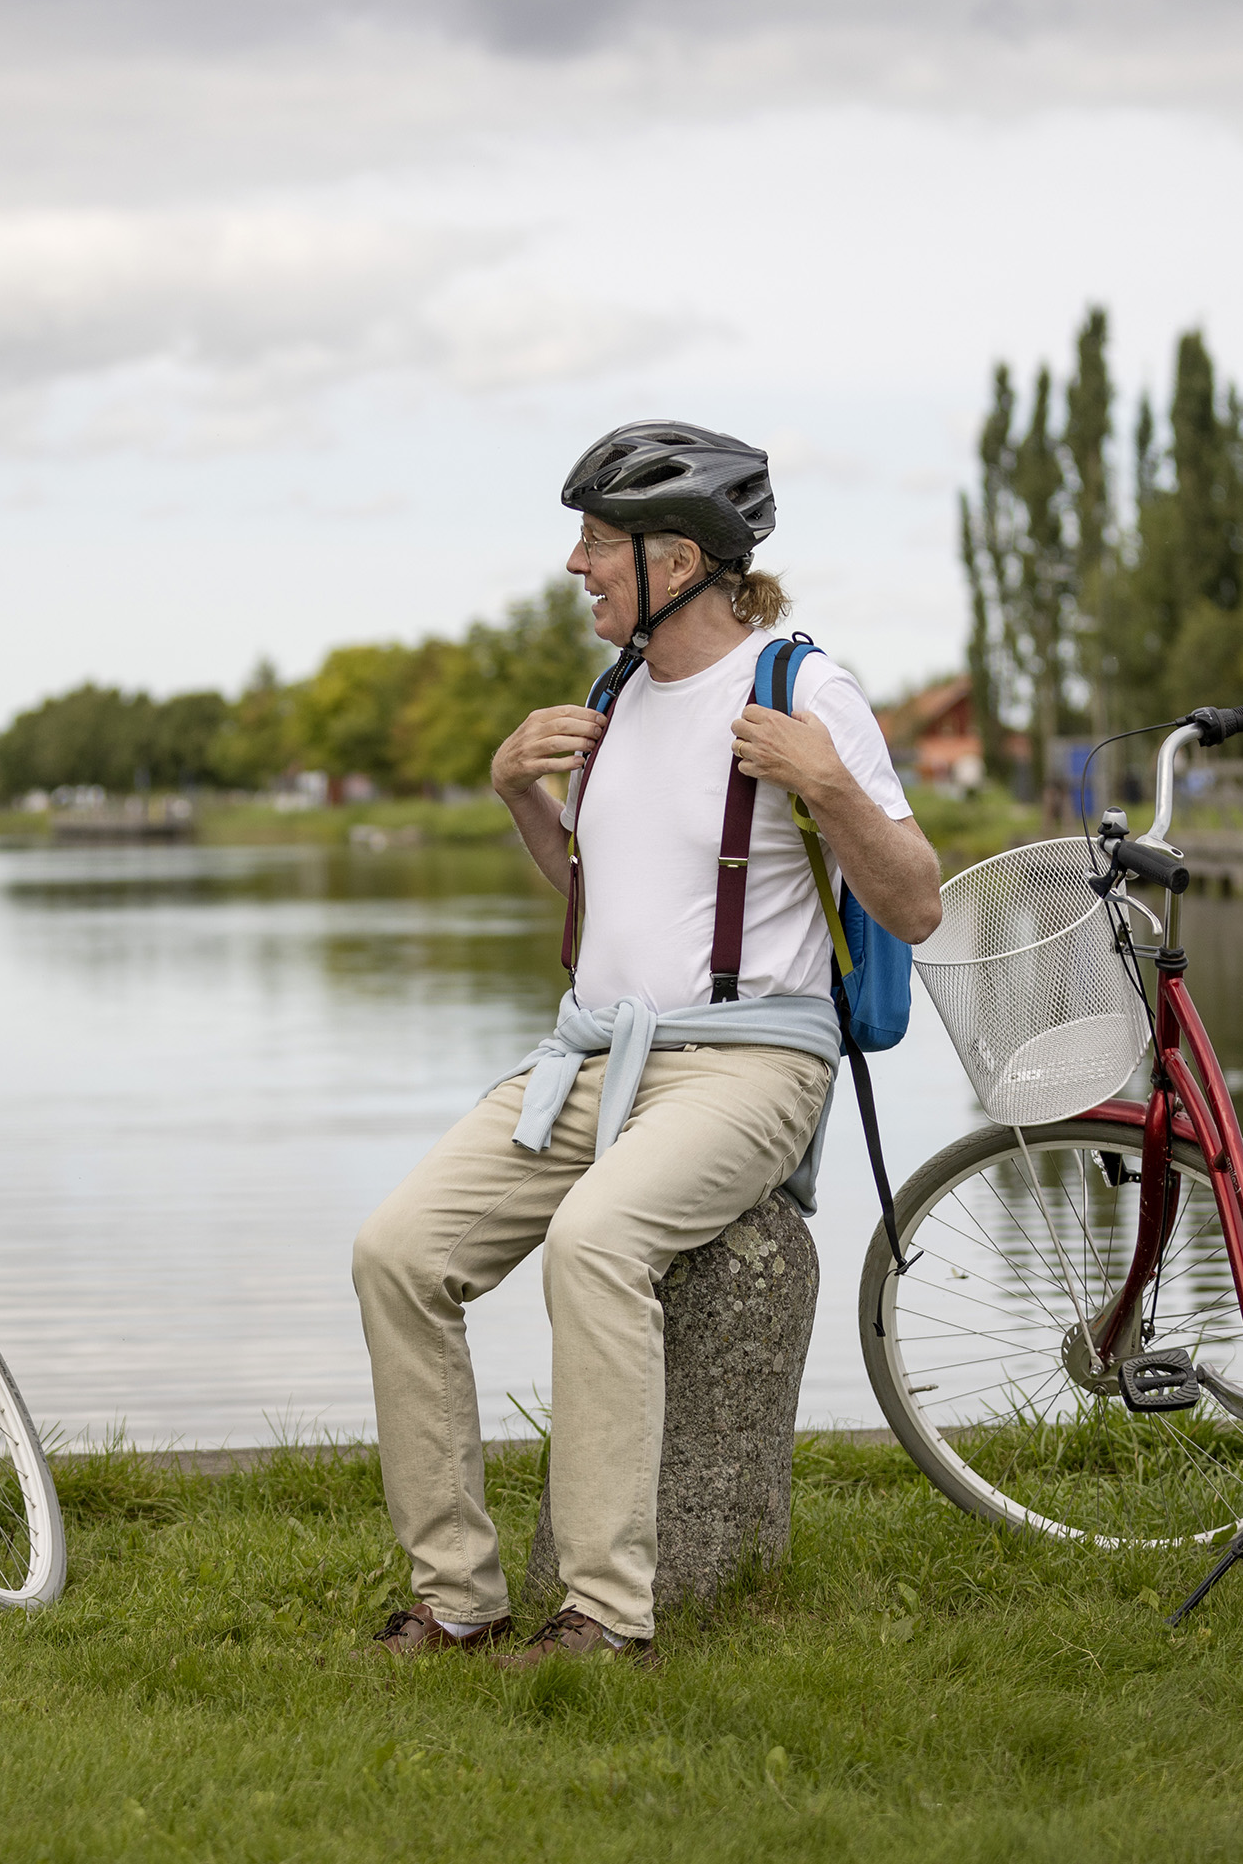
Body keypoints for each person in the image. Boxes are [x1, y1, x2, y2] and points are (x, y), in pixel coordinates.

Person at [351, 421, 942, 1662]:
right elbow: (598, 898)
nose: (576, 566)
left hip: (752, 1066)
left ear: (677, 559)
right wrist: (519, 792)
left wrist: (829, 785)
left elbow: (917, 903)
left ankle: (607, 1617)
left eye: (597, 543)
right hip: (591, 1058)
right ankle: (457, 1600)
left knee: (596, 1244)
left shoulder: (803, 688)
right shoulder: (614, 695)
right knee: (397, 1254)